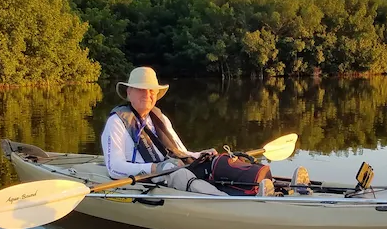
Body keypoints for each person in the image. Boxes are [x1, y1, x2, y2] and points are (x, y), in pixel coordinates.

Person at [101, 66, 274, 195]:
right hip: (151, 174)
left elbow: (181, 153)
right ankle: (228, 200)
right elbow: (114, 168)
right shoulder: (116, 122)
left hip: (171, 165)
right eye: (141, 89)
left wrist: (201, 155)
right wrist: (154, 168)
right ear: (129, 92)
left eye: (151, 90)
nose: (147, 94)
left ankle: (265, 182)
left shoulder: (160, 118)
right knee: (181, 175)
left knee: (216, 162)